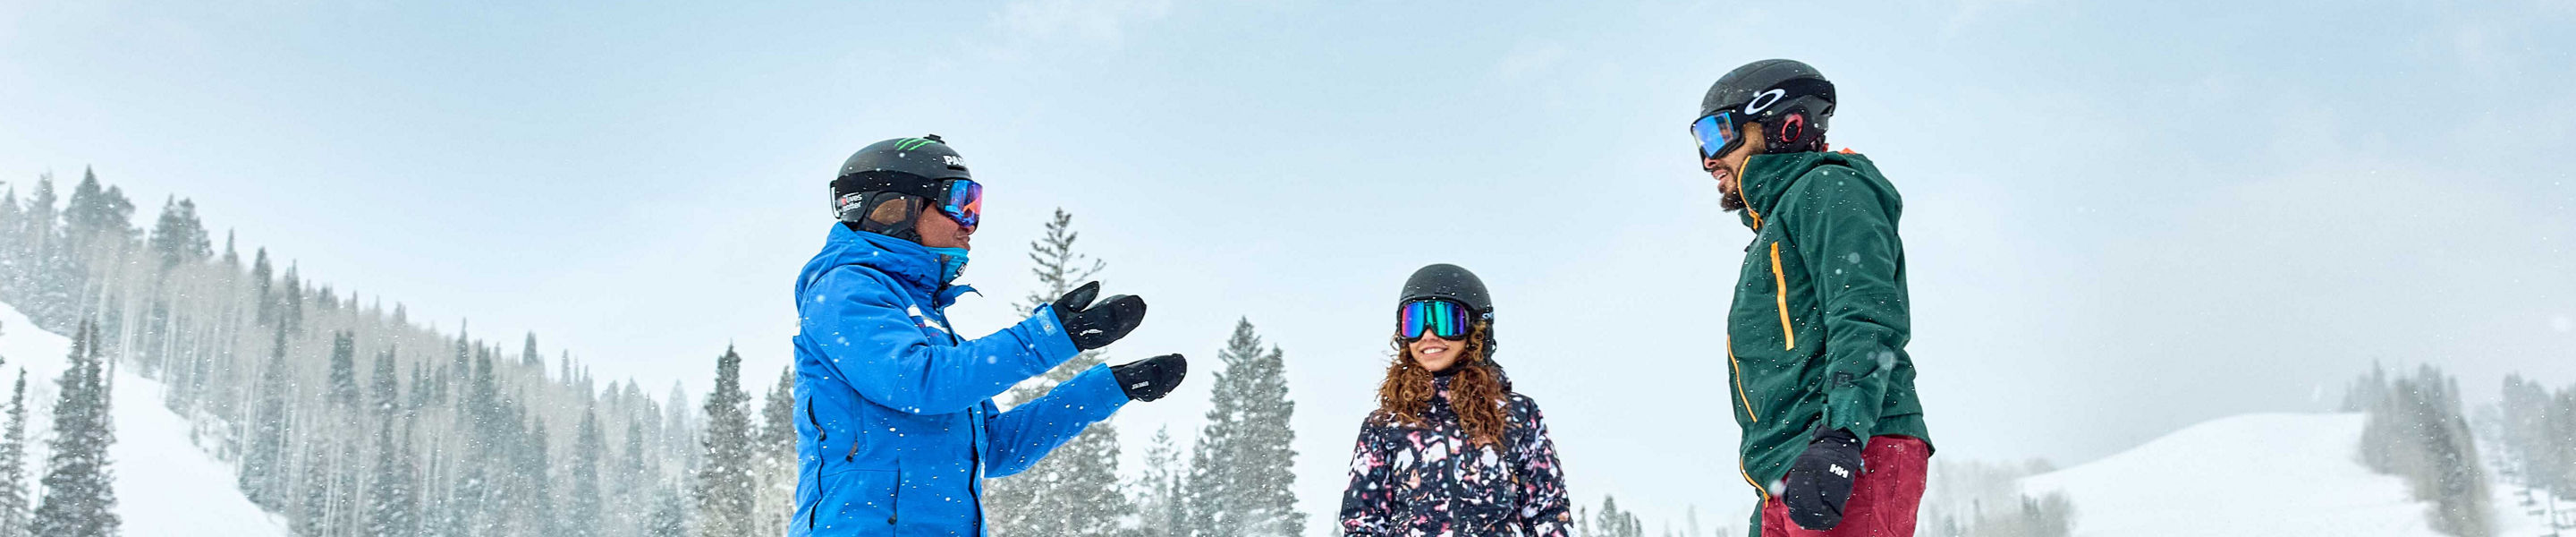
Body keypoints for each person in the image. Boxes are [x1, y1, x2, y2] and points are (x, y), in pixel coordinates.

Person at [791, 135, 1191, 537]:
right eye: (958, 202)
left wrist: (1107, 388)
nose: (971, 223)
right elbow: (919, 383)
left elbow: (997, 448)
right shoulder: (844, 289)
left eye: (974, 206)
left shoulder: (929, 324)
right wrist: (1050, 336)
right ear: (896, 207)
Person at [1689, 60, 1934, 536]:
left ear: (1786, 124)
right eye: (1700, 141)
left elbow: (1865, 316)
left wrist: (1840, 436)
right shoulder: (1773, 228)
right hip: (1789, 469)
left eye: (1719, 133)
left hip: (1851, 444)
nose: (1707, 158)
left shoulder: (1829, 187)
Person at [1340, 264, 1570, 537]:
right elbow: (1363, 522)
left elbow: (1548, 512)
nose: (1427, 335)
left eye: (1444, 320)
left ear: (1476, 329)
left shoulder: (1517, 414)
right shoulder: (1386, 424)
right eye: (1413, 321)